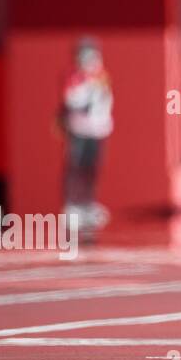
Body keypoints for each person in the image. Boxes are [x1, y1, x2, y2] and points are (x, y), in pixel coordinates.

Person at [59, 37, 114, 234]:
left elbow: (106, 102)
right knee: (76, 167)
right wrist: (88, 90)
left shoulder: (102, 77)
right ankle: (72, 204)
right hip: (79, 130)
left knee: (92, 168)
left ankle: (88, 204)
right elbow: (72, 101)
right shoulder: (74, 78)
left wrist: (104, 120)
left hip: (96, 130)